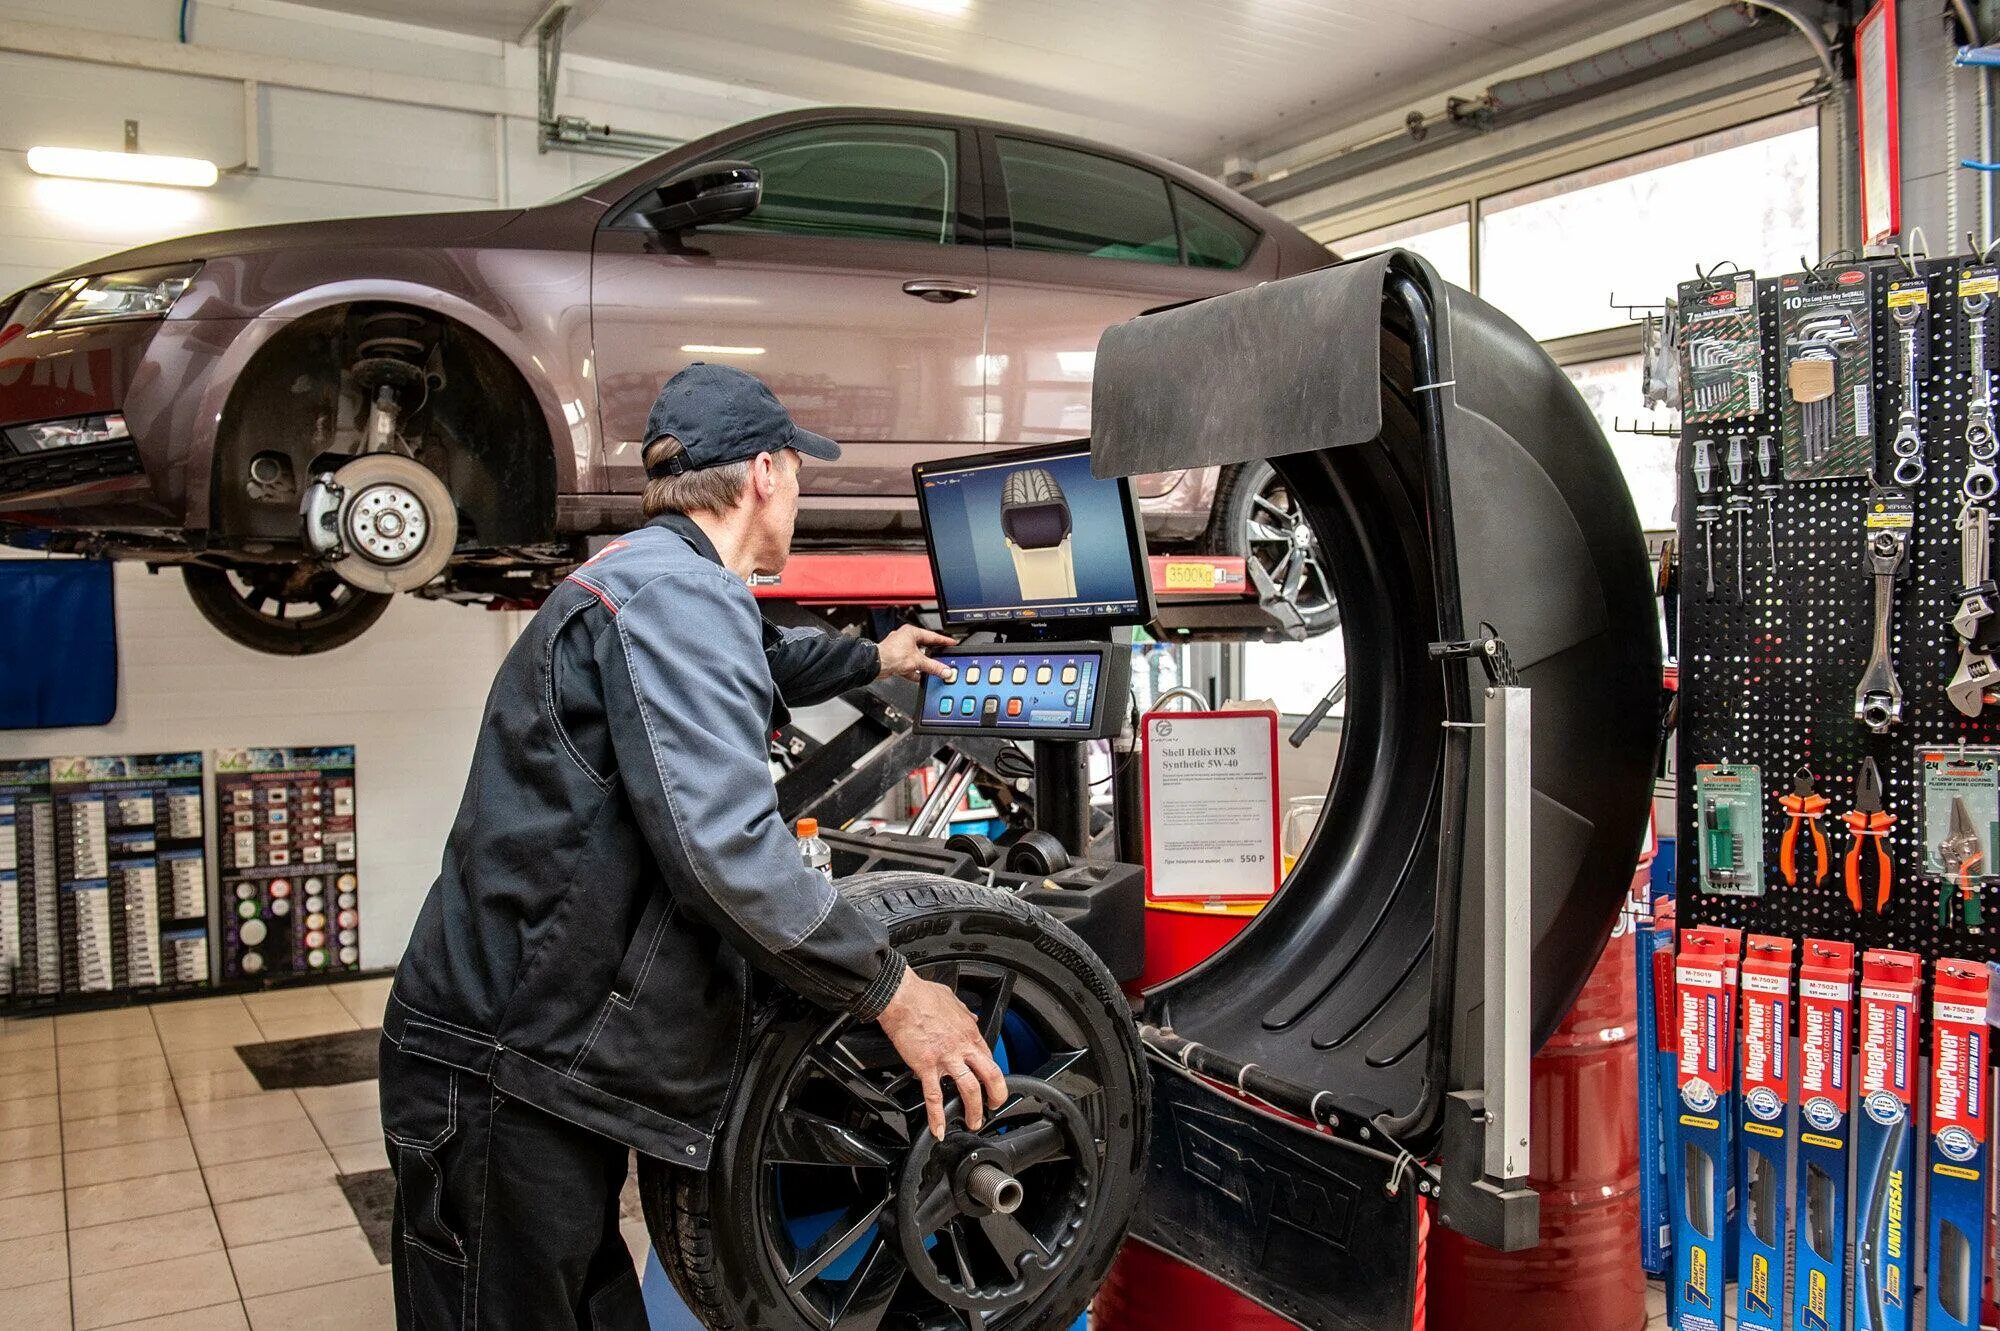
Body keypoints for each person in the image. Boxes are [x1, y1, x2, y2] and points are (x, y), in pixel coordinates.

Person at [379, 363, 1008, 1329]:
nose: (802, 490)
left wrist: (875, 656)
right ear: (762, 470)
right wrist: (894, 990)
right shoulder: (676, 597)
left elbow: (765, 656)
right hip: (504, 1074)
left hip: (531, 1057)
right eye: (800, 470)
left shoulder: (661, 579)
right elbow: (725, 850)